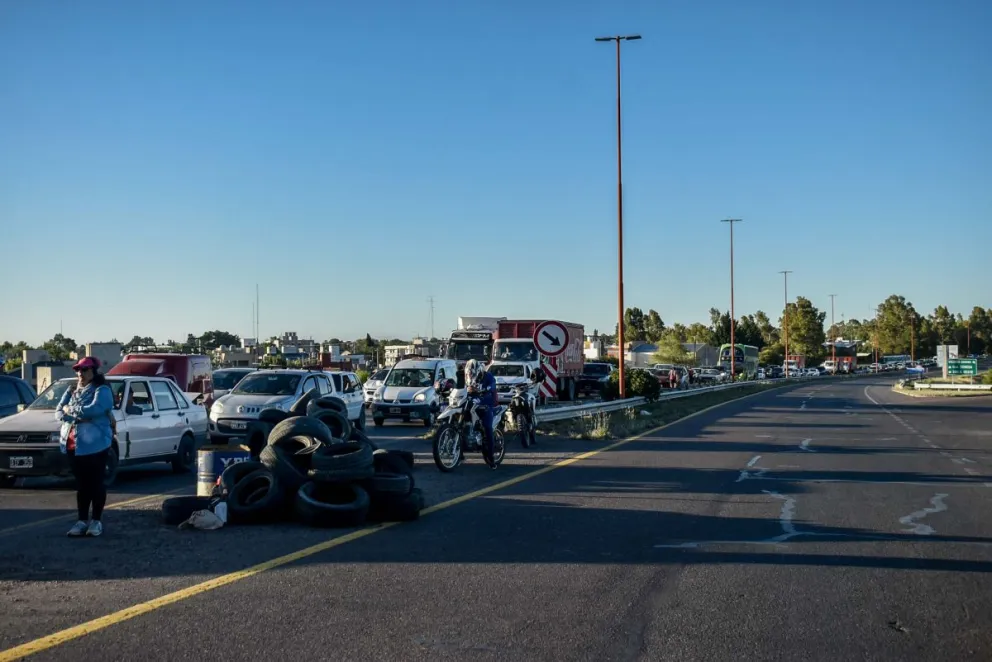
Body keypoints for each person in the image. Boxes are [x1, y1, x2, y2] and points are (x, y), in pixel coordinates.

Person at [56, 356, 114, 537]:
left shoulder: (102, 389)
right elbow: (58, 411)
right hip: (73, 444)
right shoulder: (72, 389)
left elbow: (95, 409)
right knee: (81, 485)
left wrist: (70, 410)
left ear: (94, 371)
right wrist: (73, 414)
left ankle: (96, 521)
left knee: (96, 482)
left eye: (85, 369)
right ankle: (81, 520)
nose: (80, 373)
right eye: (78, 370)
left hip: (96, 444)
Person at [464, 359, 499, 469]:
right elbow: (460, 387)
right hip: (472, 403)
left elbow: (493, 385)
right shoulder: (466, 376)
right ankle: (459, 453)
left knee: (487, 427)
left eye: (473, 373)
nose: (471, 375)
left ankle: (491, 458)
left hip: (486, 404)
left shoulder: (487, 376)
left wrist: (485, 388)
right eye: (469, 373)